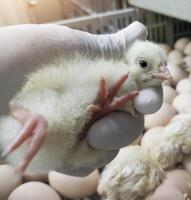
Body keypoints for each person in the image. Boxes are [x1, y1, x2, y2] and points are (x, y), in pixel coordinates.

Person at [0, 21, 163, 175]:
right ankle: (32, 119)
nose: (163, 71)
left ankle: (32, 120)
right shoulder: (117, 75)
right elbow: (38, 86)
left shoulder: (119, 84)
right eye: (144, 64)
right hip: (31, 124)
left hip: (35, 143)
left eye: (163, 66)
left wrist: (95, 116)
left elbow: (77, 152)